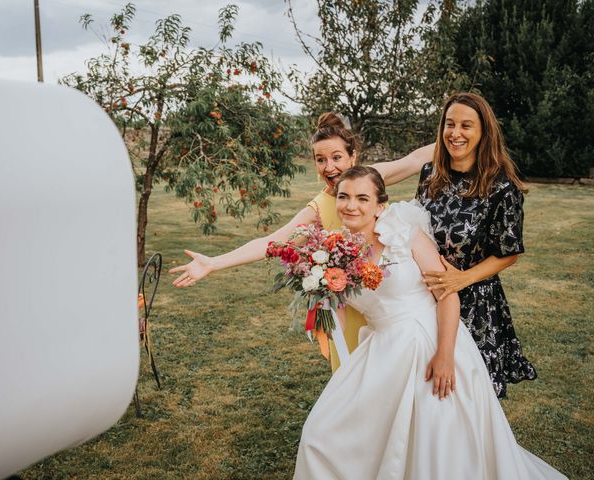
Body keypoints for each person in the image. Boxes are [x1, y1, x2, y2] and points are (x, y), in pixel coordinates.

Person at [294, 165, 565, 479]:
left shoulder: (403, 233)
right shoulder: (332, 253)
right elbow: (338, 313)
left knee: (434, 438)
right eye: (343, 196)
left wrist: (445, 356)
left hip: (430, 342)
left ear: (379, 205)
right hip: (381, 349)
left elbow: (448, 296)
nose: (350, 205)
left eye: (361, 198)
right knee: (320, 433)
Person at [170, 113, 434, 372]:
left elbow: (415, 160)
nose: (329, 167)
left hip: (393, 302)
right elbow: (271, 242)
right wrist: (214, 263)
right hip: (351, 311)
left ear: (352, 156)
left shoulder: (370, 177)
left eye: (337, 157)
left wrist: (463, 136)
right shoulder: (318, 208)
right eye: (321, 160)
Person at [416, 92, 536, 398]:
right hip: (427, 296)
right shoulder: (430, 175)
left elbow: (509, 254)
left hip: (475, 303)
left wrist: (462, 279)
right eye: (450, 124)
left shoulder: (502, 186)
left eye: (466, 126)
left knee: (468, 393)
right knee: (426, 390)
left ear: (483, 132)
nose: (455, 133)